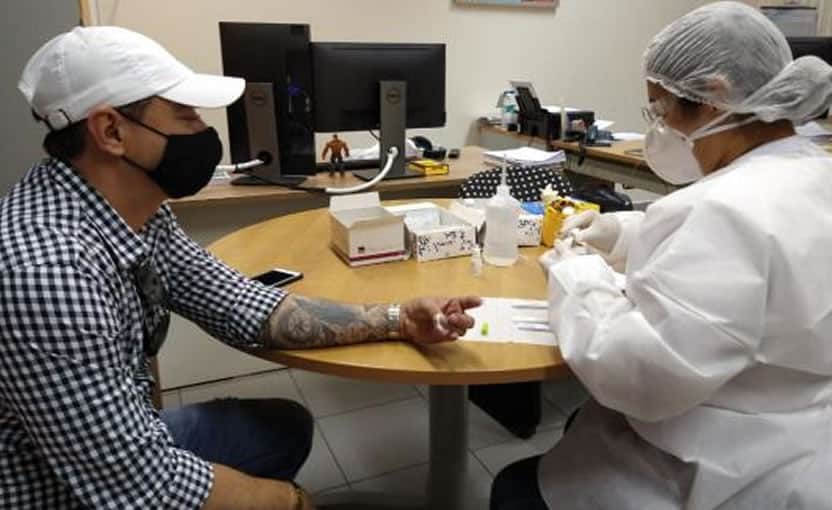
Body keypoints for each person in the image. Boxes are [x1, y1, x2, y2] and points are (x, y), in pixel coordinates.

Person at [0, 26, 481, 510]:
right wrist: (292, 502)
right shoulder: (47, 273)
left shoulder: (138, 212)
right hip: (49, 491)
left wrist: (397, 318)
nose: (203, 130)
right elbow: (143, 485)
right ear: (111, 131)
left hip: (110, 445)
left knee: (283, 428)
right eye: (185, 114)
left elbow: (238, 302)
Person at [492, 2, 832, 509]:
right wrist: (620, 232)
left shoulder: (723, 209)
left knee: (514, 488)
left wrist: (576, 276)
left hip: (713, 472)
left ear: (715, 97)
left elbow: (634, 373)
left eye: (659, 110)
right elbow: (762, 256)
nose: (657, 128)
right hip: (807, 447)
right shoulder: (828, 176)